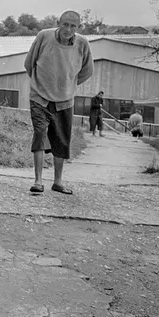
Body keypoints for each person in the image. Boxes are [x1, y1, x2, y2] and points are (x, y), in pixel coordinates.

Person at [24, 10, 94, 195]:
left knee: (62, 139)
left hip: (65, 100)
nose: (68, 29)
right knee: (40, 133)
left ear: (78, 28)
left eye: (73, 26)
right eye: (65, 24)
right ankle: (38, 181)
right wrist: (40, 84)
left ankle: (58, 182)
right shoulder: (44, 37)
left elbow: (87, 71)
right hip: (39, 97)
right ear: (58, 23)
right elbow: (28, 63)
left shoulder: (82, 44)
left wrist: (67, 85)